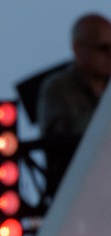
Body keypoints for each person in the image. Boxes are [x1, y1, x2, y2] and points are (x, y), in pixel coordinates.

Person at [37, 12, 111, 201]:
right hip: (78, 194)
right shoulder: (58, 87)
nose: (109, 55)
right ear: (78, 49)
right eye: (103, 48)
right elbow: (61, 135)